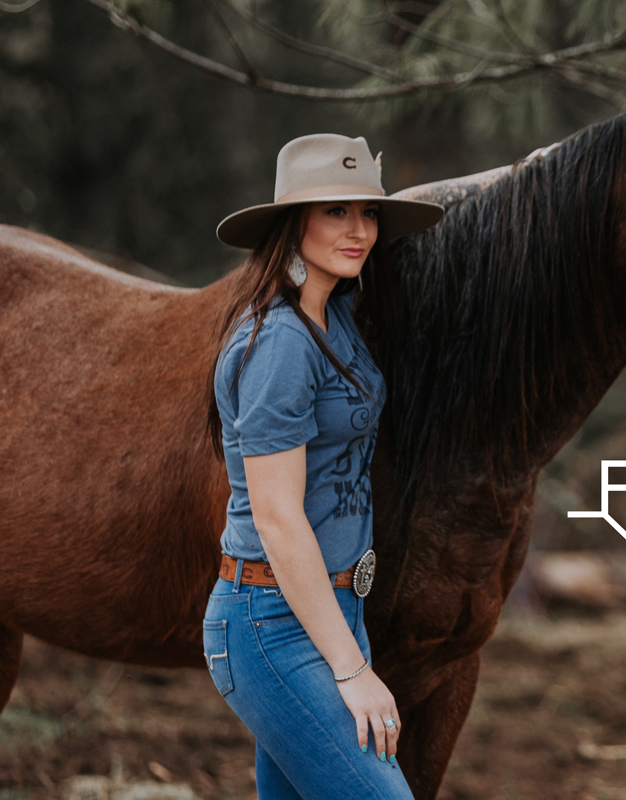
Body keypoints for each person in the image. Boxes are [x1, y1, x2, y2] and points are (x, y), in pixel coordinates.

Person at [202, 133, 443, 799]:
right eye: (335, 211)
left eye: (367, 213)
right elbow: (278, 518)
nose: (359, 230)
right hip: (270, 621)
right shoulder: (279, 342)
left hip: (335, 606)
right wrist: (351, 669)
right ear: (293, 223)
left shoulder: (334, 319)